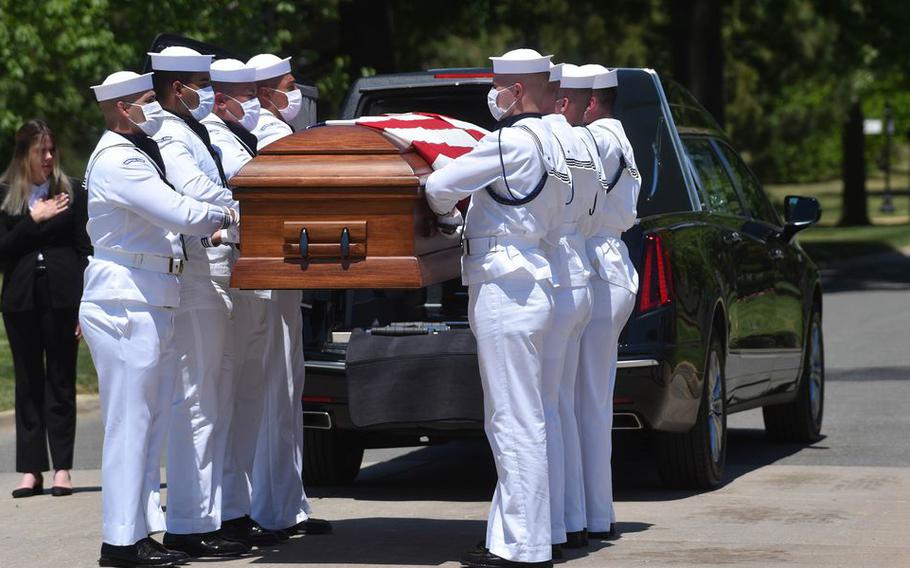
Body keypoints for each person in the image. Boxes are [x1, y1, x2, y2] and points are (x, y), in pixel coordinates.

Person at [80, 69, 239, 568]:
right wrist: (231, 215)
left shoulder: (135, 151)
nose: (156, 106)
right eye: (148, 99)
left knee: (147, 426)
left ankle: (140, 533)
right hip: (127, 299)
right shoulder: (119, 159)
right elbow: (179, 212)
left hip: (150, 294)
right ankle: (120, 543)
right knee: (131, 424)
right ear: (123, 108)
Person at [426, 48, 567, 568]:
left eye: (497, 86)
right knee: (528, 416)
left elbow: (440, 188)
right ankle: (521, 537)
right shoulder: (557, 138)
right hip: (535, 276)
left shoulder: (511, 140)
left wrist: (443, 209)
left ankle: (523, 549)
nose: (493, 95)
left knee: (512, 420)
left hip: (506, 285)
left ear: (514, 90)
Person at [147, 46, 249, 558]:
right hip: (196, 271)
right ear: (175, 86)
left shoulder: (191, 127)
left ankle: (215, 514)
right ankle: (188, 524)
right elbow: (192, 189)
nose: (206, 90)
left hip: (215, 267)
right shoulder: (169, 130)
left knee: (216, 397)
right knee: (196, 402)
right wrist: (239, 204)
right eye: (199, 82)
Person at [201, 58, 285, 546]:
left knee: (248, 397)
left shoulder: (237, 133)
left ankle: (238, 506)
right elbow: (248, 183)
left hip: (254, 265)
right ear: (223, 96)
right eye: (247, 95)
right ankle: (222, 511)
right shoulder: (212, 136)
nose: (256, 103)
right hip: (227, 268)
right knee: (226, 399)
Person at [247, 52, 331, 537]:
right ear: (263, 92)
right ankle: (272, 509)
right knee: (275, 392)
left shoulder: (277, 129)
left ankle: (286, 505)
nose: (296, 92)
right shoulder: (272, 133)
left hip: (283, 276)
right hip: (271, 278)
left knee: (286, 391)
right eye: (289, 84)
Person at [0, 120, 90, 499]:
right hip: (21, 298)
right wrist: (33, 220)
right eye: (41, 151)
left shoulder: (72, 191)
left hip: (63, 296)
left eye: (53, 150)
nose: (49, 158)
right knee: (28, 382)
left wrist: (86, 304)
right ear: (25, 155)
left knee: (60, 379)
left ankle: (63, 468)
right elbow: (4, 250)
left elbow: (84, 251)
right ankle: (31, 469)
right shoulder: (6, 196)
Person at [575, 65, 641, 541]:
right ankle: (591, 511)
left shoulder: (598, 138)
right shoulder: (616, 134)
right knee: (589, 399)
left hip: (599, 265)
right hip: (609, 264)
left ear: (592, 102)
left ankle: (592, 514)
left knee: (587, 400)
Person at [540, 63, 600, 552]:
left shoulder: (545, 141)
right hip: (580, 265)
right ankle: (574, 520)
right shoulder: (584, 144)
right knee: (564, 407)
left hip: (556, 268)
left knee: (547, 409)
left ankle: (556, 527)